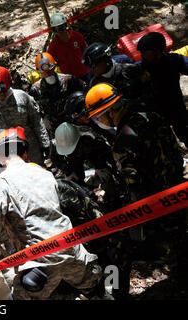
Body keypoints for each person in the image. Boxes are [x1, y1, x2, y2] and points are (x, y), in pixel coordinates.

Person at [0, 127, 103, 300]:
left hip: (42, 261)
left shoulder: (1, 184)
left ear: (0, 157)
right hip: (73, 251)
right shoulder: (45, 174)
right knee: (96, 292)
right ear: (25, 152)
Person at [85, 82, 187, 298]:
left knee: (118, 246)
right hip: (178, 190)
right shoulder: (151, 116)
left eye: (99, 117)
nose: (99, 122)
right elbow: (177, 152)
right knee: (181, 238)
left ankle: (117, 293)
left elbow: (133, 185)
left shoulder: (123, 142)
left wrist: (133, 222)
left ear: (110, 111)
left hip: (156, 203)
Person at [0, 66, 50, 167]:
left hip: (32, 149)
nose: (3, 94)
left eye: (5, 90)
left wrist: (45, 143)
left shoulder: (22, 97)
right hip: (8, 156)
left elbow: (36, 121)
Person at [53, 122, 119, 211]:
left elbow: (107, 161)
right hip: (78, 154)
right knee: (74, 180)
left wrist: (108, 177)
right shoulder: (62, 143)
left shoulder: (94, 139)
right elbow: (71, 165)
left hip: (98, 155)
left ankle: (114, 200)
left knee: (107, 177)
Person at [137, 31, 188, 145]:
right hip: (155, 116)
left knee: (184, 134)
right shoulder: (139, 69)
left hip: (176, 109)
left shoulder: (174, 60)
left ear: (157, 51)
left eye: (145, 52)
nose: (142, 55)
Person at [29, 52, 87, 133]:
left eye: (50, 70)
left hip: (75, 122)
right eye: (44, 72)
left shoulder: (69, 80)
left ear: (54, 67)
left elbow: (85, 91)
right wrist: (43, 118)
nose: (48, 73)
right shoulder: (35, 90)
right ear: (39, 72)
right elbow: (32, 111)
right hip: (55, 128)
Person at [47, 12, 90, 82]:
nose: (61, 31)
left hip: (85, 72)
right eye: (57, 29)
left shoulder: (76, 36)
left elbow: (86, 50)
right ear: (54, 30)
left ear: (66, 26)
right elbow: (50, 62)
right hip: (69, 79)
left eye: (62, 27)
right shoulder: (53, 45)